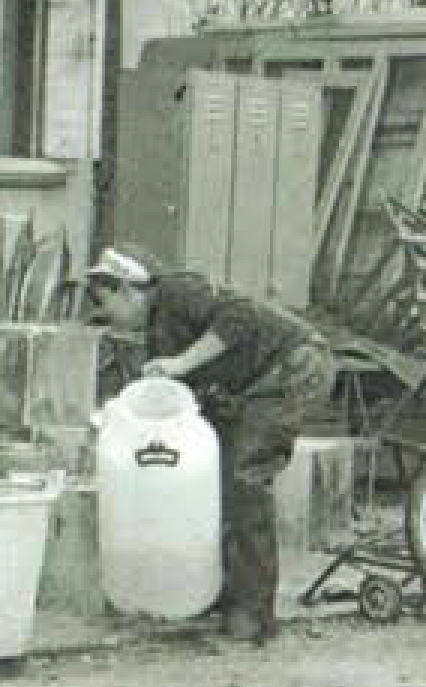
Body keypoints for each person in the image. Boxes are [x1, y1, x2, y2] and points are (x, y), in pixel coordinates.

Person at [83, 245, 332, 644]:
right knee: (215, 481)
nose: (107, 315)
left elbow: (241, 318)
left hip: (292, 367)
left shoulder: (180, 291)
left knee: (246, 477)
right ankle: (221, 593)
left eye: (105, 302)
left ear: (126, 290)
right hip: (250, 387)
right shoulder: (156, 334)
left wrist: (182, 364)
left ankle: (253, 615)